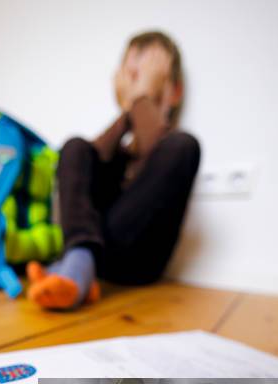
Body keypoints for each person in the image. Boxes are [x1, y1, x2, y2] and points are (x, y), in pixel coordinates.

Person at [26, 31, 201, 310]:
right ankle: (80, 262)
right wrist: (129, 109)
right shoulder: (115, 152)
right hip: (94, 249)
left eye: (150, 78)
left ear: (175, 91)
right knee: (75, 146)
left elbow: (155, 150)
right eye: (132, 76)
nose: (139, 85)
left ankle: (75, 267)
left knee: (183, 145)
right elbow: (84, 161)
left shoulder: (171, 150)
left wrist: (139, 99)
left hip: (137, 265)